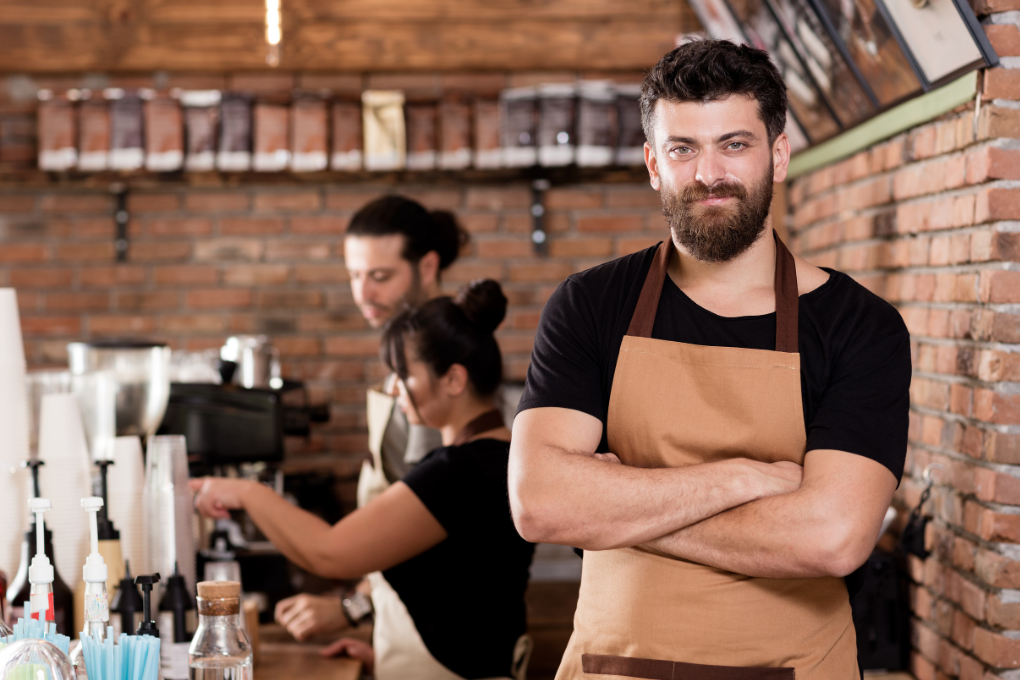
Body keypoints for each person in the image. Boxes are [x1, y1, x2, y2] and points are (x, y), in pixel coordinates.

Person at [508, 39, 910, 680]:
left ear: (778, 156)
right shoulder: (591, 304)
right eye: (682, 149)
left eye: (735, 144)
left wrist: (617, 508)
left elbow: (833, 538)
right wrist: (745, 479)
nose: (708, 174)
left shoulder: (860, 326)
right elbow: (539, 504)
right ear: (652, 164)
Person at [192, 279, 535, 680]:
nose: (393, 388)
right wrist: (386, 656)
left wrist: (244, 492)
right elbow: (463, 595)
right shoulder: (500, 457)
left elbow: (329, 552)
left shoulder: (461, 471)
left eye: (403, 373)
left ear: (454, 380)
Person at [274, 195, 468, 641]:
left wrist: (353, 606)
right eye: (355, 276)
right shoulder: (408, 357)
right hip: (407, 627)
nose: (362, 293)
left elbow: (427, 525)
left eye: (380, 276)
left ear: (426, 266)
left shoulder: (439, 369)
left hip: (445, 637)